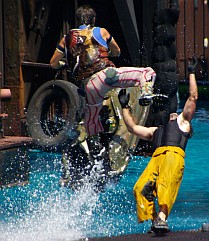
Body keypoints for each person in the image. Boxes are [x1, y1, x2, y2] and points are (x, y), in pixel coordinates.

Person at [50, 5, 166, 154]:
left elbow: (53, 63)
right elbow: (117, 50)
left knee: (91, 120)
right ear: (93, 20)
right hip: (106, 76)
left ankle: (94, 146)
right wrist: (109, 53)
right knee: (147, 73)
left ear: (77, 20)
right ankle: (145, 93)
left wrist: (65, 63)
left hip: (89, 86)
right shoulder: (101, 31)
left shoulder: (66, 38)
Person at [118, 56, 198, 234]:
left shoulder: (182, 122)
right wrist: (124, 107)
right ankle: (156, 221)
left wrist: (191, 73)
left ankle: (162, 219)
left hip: (173, 155)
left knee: (165, 184)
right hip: (156, 158)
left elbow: (193, 97)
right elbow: (132, 128)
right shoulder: (156, 131)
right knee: (139, 188)